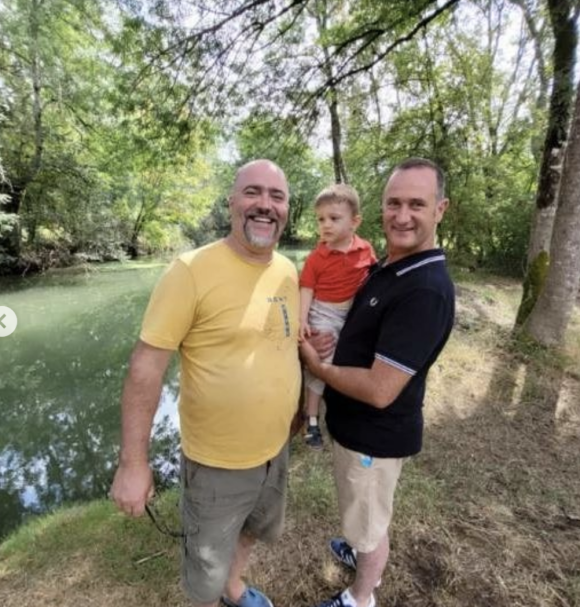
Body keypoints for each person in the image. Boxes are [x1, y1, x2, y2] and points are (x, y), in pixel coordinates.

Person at [110, 159, 302, 607]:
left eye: (277, 196)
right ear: (231, 202)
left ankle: (236, 589)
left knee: (254, 531)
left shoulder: (288, 271)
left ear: (288, 209)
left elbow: (281, 344)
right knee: (204, 574)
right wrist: (133, 463)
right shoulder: (190, 270)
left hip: (275, 451)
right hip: (217, 462)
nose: (265, 205)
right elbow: (145, 367)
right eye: (253, 192)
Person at [300, 158, 455, 607]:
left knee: (368, 522)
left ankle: (360, 594)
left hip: (375, 437)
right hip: (357, 432)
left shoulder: (424, 288)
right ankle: (360, 547)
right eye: (394, 203)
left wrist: (319, 366)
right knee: (364, 513)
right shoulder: (390, 266)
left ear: (440, 209)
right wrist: (331, 336)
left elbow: (381, 389)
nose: (402, 215)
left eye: (417, 204)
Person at [299, 184, 376, 449]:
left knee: (356, 355)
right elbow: (306, 289)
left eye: (334, 218)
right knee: (323, 361)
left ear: (355, 222)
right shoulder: (316, 257)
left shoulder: (366, 250)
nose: (325, 225)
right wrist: (302, 320)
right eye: (320, 219)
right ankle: (311, 419)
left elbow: (373, 281)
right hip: (324, 311)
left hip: (353, 312)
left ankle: (348, 409)